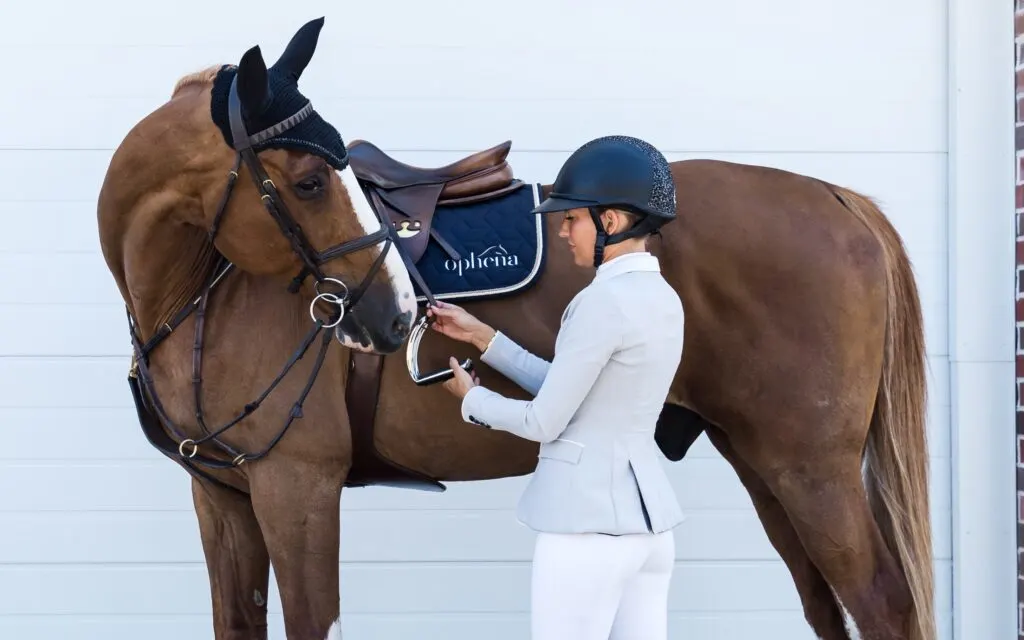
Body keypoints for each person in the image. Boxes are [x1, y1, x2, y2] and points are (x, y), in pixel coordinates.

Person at [426, 135, 686, 640]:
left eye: (573, 219)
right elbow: (577, 387)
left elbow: (544, 419)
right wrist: (484, 337)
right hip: (649, 532)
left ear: (610, 222)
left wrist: (472, 400)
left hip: (585, 533)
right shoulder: (662, 297)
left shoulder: (601, 302)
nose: (563, 231)